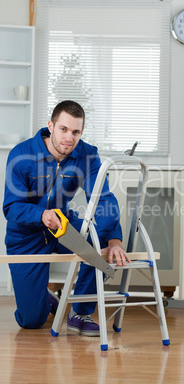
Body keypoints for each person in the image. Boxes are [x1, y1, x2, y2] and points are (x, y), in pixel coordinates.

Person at [3, 100, 130, 336]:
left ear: (81, 132)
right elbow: (11, 207)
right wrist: (41, 215)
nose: (69, 138)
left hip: (63, 224)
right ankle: (45, 299)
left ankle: (79, 312)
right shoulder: (21, 154)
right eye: (63, 129)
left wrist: (113, 239)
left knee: (97, 240)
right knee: (32, 321)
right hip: (25, 235)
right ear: (50, 126)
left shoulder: (87, 154)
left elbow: (102, 199)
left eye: (76, 132)